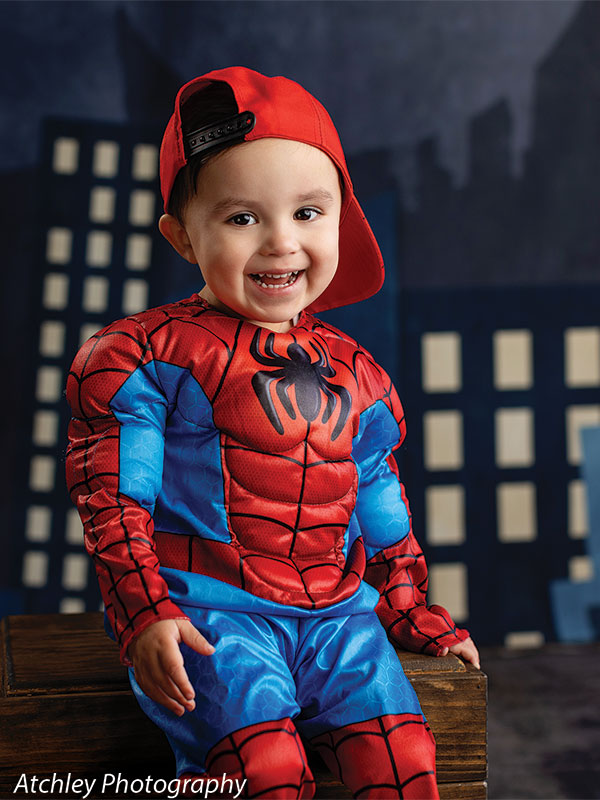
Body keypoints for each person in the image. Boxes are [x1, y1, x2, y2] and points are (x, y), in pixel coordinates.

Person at [66, 67, 479, 799]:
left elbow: (379, 507)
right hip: (208, 612)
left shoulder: (360, 373)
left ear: (342, 223)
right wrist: (144, 612)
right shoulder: (141, 356)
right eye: (242, 218)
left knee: (404, 757)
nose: (281, 242)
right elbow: (115, 502)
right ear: (182, 237)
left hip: (338, 615)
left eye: (310, 213)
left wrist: (411, 609)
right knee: (263, 768)